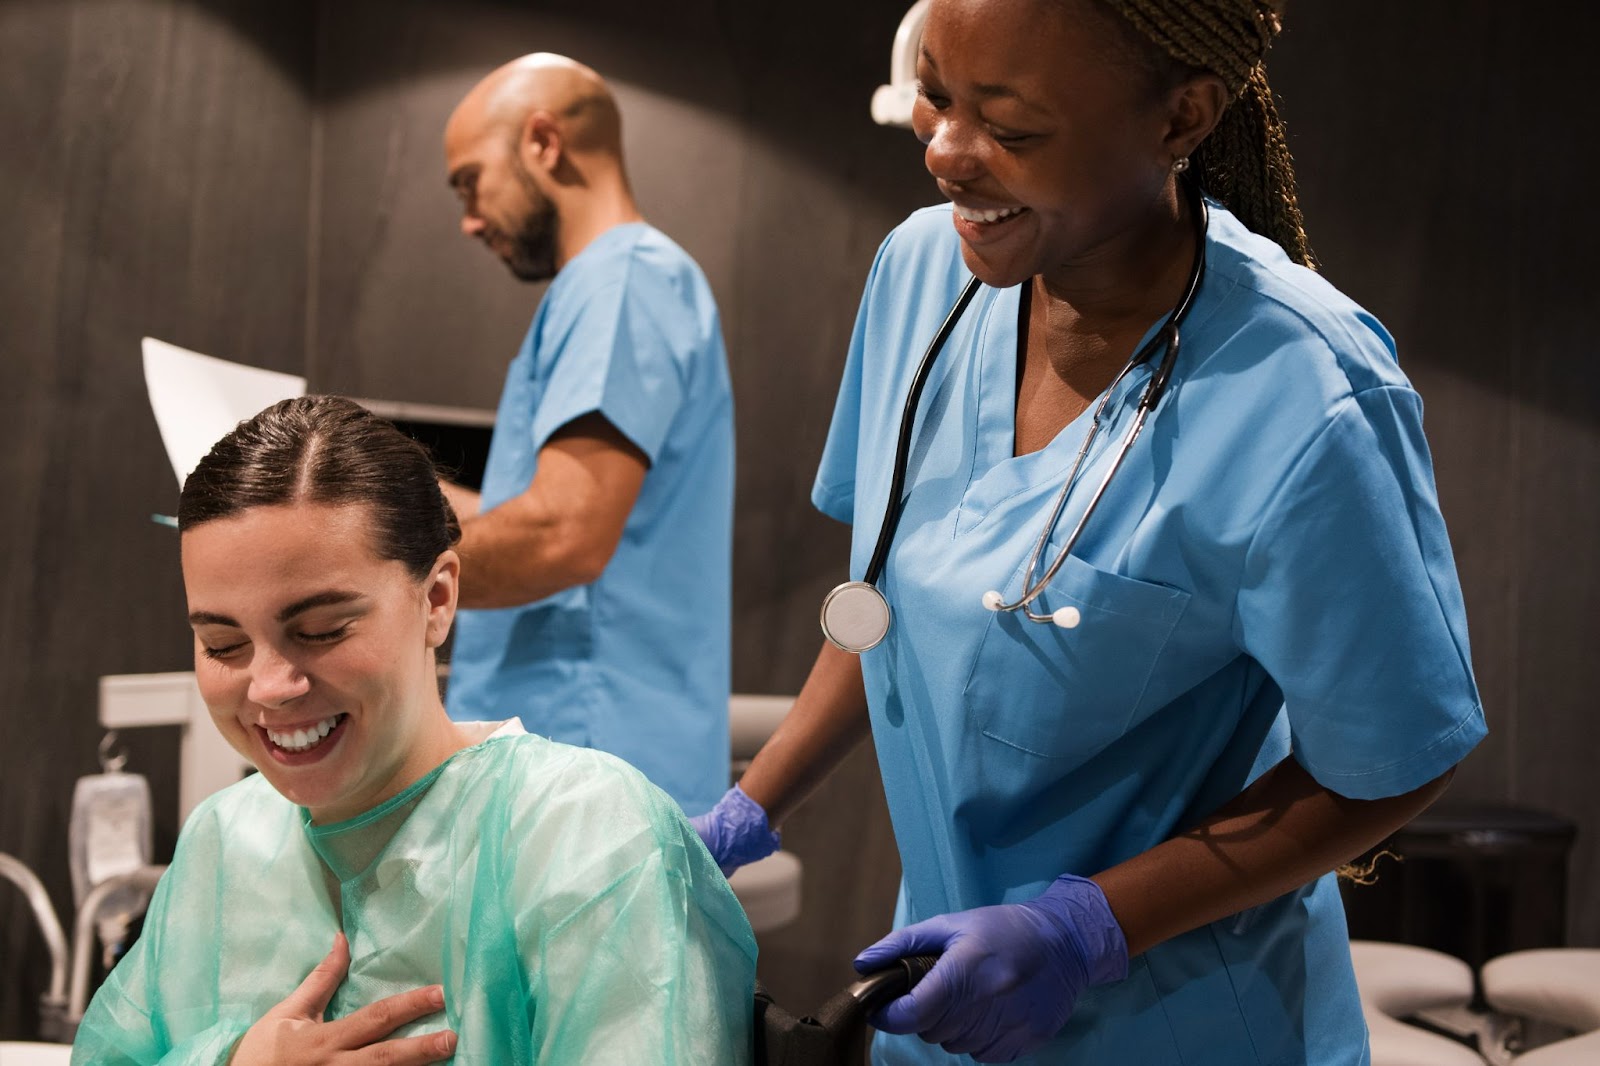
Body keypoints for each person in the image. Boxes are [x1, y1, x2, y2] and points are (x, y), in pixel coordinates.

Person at [694, 1, 1487, 1063]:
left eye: (1011, 131)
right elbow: (891, 606)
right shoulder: (922, 276)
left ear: (1181, 120)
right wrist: (745, 814)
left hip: (1184, 1024)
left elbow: (1392, 762)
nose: (944, 152)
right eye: (934, 96)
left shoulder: (1305, 391)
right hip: (945, 1000)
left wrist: (1083, 929)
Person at [72, 396, 756, 1065]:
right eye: (222, 644)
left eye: (320, 630)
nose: (270, 687)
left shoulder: (588, 837)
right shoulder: (225, 841)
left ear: (437, 598)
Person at [439, 53, 733, 816]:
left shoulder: (624, 280)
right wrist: (402, 503)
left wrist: (356, 557)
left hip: (588, 776)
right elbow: (546, 509)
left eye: (471, 181)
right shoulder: (608, 285)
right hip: (572, 764)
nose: (468, 221)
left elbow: (562, 536)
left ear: (542, 142)